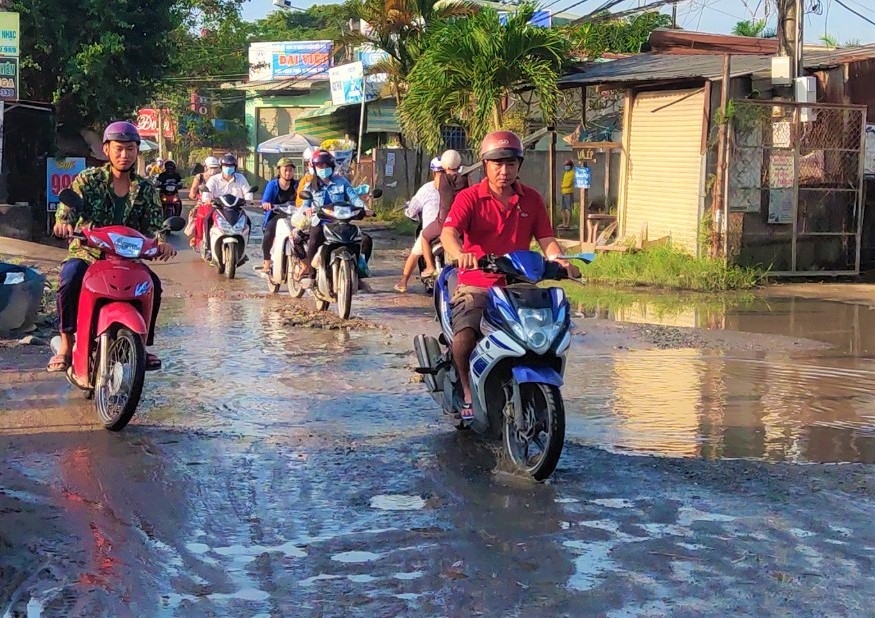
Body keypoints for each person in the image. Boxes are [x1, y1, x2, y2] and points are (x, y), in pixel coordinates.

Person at [440, 130, 575, 421]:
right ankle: (467, 392)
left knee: (547, 329)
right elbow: (448, 232)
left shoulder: (532, 200)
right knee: (464, 336)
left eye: (511, 163)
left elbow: (547, 238)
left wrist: (560, 261)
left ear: (519, 165)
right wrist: (459, 253)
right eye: (497, 163)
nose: (504, 170)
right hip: (477, 284)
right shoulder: (469, 198)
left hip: (519, 285)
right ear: (485, 165)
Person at [48, 121, 177, 373]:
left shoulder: (146, 189)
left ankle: (142, 343)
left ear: (137, 151)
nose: (124, 155)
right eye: (118, 148)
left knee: (153, 285)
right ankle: (66, 343)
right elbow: (68, 208)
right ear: (106, 149)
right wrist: (63, 222)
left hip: (127, 260)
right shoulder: (89, 179)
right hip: (89, 254)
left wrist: (161, 242)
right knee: (68, 278)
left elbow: (153, 226)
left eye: (130, 149)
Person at [299, 150, 373, 288]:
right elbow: (305, 205)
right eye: (320, 166)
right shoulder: (310, 185)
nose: (323, 168)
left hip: (341, 222)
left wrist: (365, 209)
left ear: (331, 166)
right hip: (321, 222)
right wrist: (307, 210)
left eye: (326, 165)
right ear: (314, 168)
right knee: (314, 239)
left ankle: (357, 275)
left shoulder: (342, 182)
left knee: (365, 241)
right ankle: (311, 275)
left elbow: (354, 198)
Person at [394, 157, 442, 293]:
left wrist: (409, 212)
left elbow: (412, 210)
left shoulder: (427, 189)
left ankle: (404, 282)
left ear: (434, 173)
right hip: (455, 228)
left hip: (435, 228)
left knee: (415, 253)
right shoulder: (458, 186)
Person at [421, 149, 468, 278]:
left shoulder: (442, 179)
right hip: (463, 220)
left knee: (424, 236)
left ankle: (430, 267)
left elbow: (436, 185)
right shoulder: (464, 178)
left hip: (444, 221)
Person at [259, 157, 298, 274]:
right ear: (279, 171)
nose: (288, 172)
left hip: (294, 216)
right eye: (285, 170)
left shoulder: (297, 185)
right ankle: (267, 261)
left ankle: (303, 262)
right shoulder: (272, 185)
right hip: (277, 215)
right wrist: (266, 204)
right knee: (269, 234)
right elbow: (265, 200)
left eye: (290, 170)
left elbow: (303, 198)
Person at [560, 159, 575, 229]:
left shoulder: (572, 173)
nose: (566, 166)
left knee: (568, 209)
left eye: (567, 165)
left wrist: (562, 185)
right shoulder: (566, 173)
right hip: (563, 192)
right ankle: (564, 223)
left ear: (570, 166)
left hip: (568, 192)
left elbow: (568, 184)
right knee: (562, 209)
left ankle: (568, 223)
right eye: (565, 165)